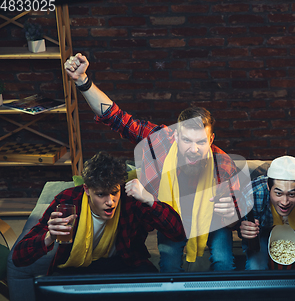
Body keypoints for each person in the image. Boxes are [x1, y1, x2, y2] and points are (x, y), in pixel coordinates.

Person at [64, 53, 240, 272]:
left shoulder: (223, 165)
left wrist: (231, 214)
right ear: (176, 136)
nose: (194, 149)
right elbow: (117, 118)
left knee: (223, 261)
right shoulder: (161, 141)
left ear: (211, 139)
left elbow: (236, 220)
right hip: (172, 219)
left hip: (210, 222)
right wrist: (82, 81)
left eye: (201, 142)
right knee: (168, 265)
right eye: (187, 141)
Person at [12, 152, 185, 275]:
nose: (110, 202)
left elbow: (178, 232)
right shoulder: (67, 202)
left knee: (154, 290)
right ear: (87, 189)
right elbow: (18, 258)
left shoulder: (130, 199)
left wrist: (150, 200)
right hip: (76, 268)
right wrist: (48, 237)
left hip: (123, 263)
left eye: (114, 192)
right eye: (101, 194)